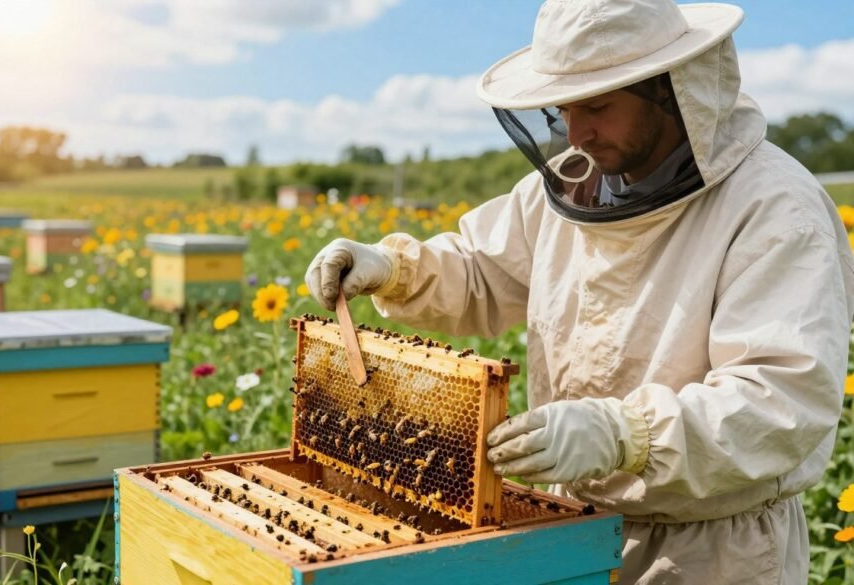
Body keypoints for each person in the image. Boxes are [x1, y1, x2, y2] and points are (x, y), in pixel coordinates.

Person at [304, 0, 854, 582]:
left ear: (671, 91)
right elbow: (482, 269)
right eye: (564, 107)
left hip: (712, 552)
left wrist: (626, 434)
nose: (576, 130)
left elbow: (778, 401)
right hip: (572, 527)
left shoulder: (775, 209)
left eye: (597, 106)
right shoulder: (576, 183)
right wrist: (396, 268)